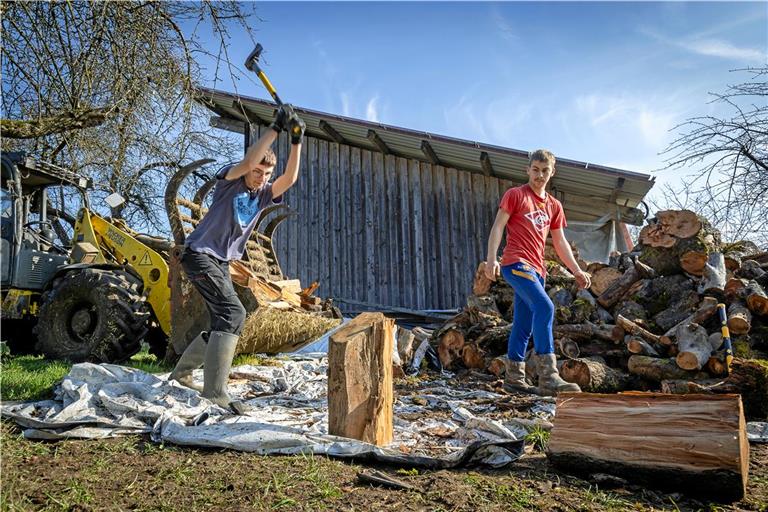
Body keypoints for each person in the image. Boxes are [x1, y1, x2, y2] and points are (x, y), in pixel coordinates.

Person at [169, 104, 306, 413]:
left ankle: (182, 373)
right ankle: (215, 392)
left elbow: (290, 178)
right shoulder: (230, 181)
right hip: (198, 254)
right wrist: (275, 128)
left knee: (227, 316)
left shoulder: (264, 194)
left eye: (266, 173)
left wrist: (297, 141)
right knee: (233, 313)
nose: (260, 177)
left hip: (219, 261)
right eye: (258, 171)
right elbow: (247, 161)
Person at [484, 149, 591, 396]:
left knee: (523, 325)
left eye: (545, 171)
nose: (539, 175)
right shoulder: (516, 195)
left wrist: (575, 269)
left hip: (538, 269)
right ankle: (549, 377)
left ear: (552, 173)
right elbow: (497, 227)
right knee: (546, 308)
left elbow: (560, 242)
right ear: (528, 170)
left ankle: (514, 379)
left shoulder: (554, 206)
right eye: (535, 170)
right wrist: (491, 259)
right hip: (516, 263)